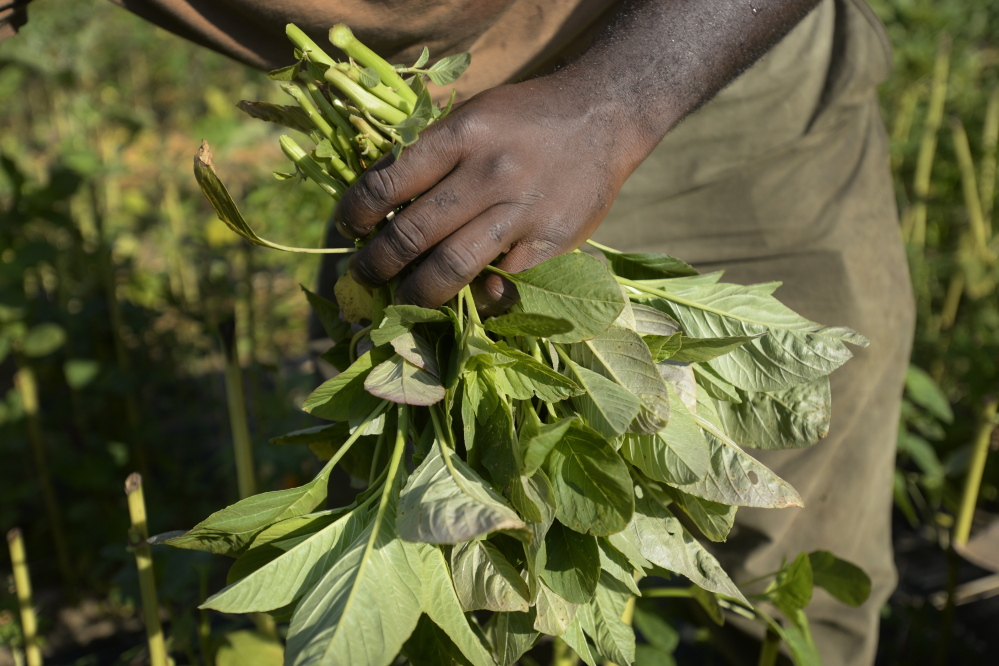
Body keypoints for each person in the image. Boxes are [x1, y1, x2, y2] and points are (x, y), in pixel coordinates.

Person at [2, 1, 914, 663]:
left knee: (774, 566)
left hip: (691, 53)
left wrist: (615, 102)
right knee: (464, 579)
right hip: (414, 168)